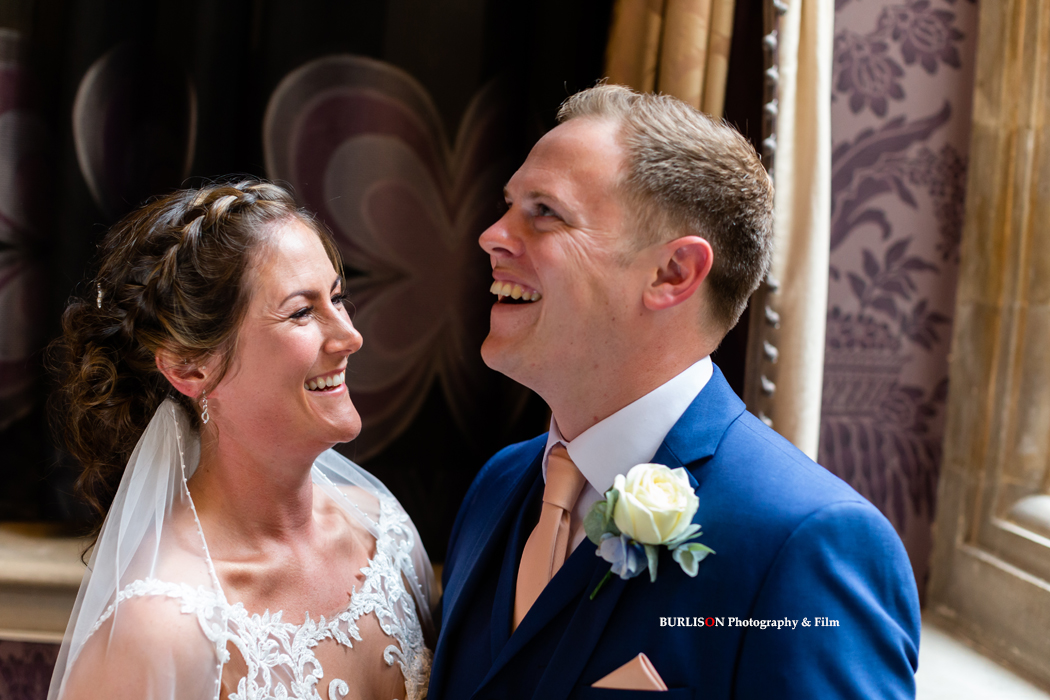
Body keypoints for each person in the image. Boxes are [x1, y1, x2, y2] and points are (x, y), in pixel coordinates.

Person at [430, 84, 920, 699]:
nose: (491, 235)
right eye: (508, 206)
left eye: (544, 212)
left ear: (672, 273)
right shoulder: (497, 485)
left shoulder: (805, 544)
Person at [47, 179, 436, 700]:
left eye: (338, 297)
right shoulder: (160, 626)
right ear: (190, 368)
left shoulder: (386, 536)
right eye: (301, 311)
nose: (350, 336)